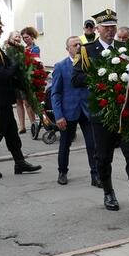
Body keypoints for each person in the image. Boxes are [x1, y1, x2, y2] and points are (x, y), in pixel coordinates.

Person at [72, 9, 129, 213]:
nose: (110, 31)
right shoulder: (87, 50)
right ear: (98, 28)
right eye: (106, 27)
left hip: (126, 111)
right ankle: (108, 193)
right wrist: (99, 80)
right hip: (102, 112)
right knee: (103, 155)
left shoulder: (125, 47)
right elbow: (76, 78)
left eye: (113, 27)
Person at [0, 14, 42, 181]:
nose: (2, 29)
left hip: (2, 96)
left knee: (11, 132)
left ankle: (20, 162)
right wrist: (16, 64)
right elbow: (0, 74)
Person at [52, 36, 100, 187]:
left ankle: (95, 174)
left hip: (86, 111)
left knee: (92, 144)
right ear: (67, 49)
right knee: (65, 144)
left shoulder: (88, 63)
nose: (78, 47)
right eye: (74, 45)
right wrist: (58, 115)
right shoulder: (60, 66)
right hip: (68, 112)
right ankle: (62, 172)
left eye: (80, 44)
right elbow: (56, 93)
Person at [17, 26, 41, 135]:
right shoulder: (23, 48)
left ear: (32, 36)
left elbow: (33, 62)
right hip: (23, 78)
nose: (25, 39)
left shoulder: (35, 48)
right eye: (23, 38)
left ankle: (39, 121)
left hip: (32, 77)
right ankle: (33, 124)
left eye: (26, 37)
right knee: (26, 102)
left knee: (32, 101)